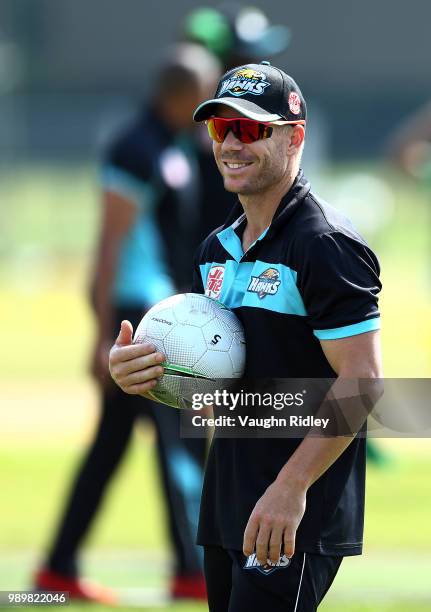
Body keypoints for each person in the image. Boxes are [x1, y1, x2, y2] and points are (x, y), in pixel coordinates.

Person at [109, 61, 383, 611]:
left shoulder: (324, 245)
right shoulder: (215, 248)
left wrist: (289, 489)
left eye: (252, 128)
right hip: (228, 499)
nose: (232, 143)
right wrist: (144, 373)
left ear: (294, 137)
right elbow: (216, 391)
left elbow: (363, 383)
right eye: (220, 128)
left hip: (291, 510)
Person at [34, 44, 222, 603]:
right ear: (183, 94)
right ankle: (192, 570)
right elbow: (109, 241)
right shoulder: (137, 146)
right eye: (206, 92)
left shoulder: (171, 143)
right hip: (138, 319)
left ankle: (57, 570)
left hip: (155, 311)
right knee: (179, 440)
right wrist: (99, 335)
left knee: (115, 443)